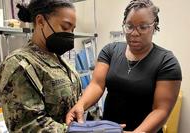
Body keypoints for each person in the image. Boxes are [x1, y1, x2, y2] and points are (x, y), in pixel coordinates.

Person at [66, 0, 182, 133]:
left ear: (154, 27)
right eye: (129, 26)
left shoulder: (167, 62)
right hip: (108, 129)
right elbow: (97, 85)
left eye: (143, 27)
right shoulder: (110, 51)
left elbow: (161, 110)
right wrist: (81, 105)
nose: (134, 33)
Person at [0, 0, 81, 132]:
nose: (70, 34)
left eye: (72, 29)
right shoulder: (19, 63)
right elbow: (28, 126)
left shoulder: (59, 60)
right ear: (40, 21)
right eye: (65, 27)